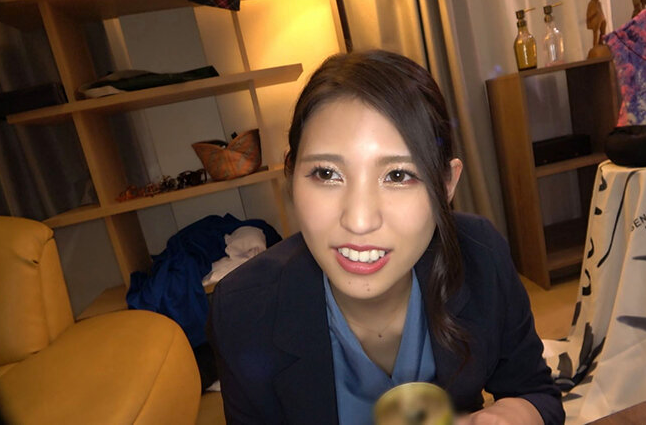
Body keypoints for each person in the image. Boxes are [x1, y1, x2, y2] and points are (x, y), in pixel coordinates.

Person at [208, 50, 564, 425]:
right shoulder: (243, 311)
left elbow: (535, 391)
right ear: (292, 175)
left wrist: (513, 415)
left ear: (446, 184)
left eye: (397, 175)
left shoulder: (479, 254)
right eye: (327, 174)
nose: (360, 221)